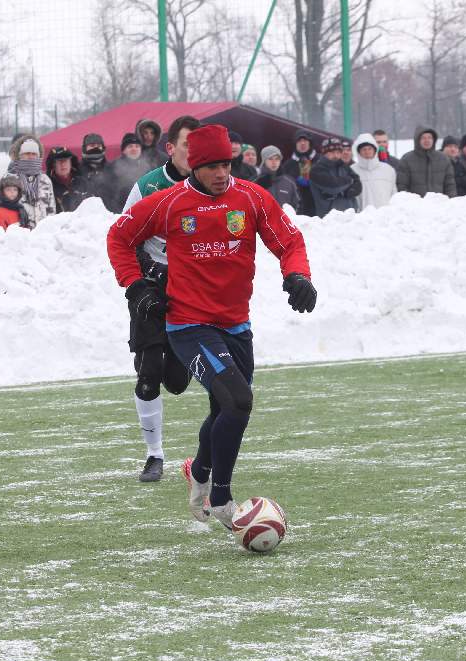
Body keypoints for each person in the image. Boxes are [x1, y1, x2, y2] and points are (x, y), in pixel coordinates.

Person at [106, 123, 315, 530]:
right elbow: (119, 237)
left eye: (226, 165)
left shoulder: (251, 197)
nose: (221, 174)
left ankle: (198, 471)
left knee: (225, 408)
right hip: (188, 325)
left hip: (235, 324)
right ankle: (221, 499)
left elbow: (290, 241)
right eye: (212, 167)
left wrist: (297, 275)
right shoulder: (169, 203)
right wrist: (136, 286)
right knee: (238, 401)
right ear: (194, 167)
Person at [120, 114, 200, 482]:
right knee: (149, 373)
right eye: (187, 145)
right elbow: (123, 237)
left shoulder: (213, 186)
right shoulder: (148, 186)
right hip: (151, 287)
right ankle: (154, 455)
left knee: (178, 382)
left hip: (192, 290)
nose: (194, 153)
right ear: (170, 148)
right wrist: (146, 275)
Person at [7, 135, 56, 227]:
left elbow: (51, 211)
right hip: (17, 232)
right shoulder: (8, 180)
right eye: (27, 153)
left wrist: (50, 230)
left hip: (42, 232)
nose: (31, 157)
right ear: (19, 155)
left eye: (34, 154)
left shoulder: (45, 180)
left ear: (38, 156)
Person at [397, 125, 456, 197]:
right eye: (423, 138)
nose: (427, 140)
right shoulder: (406, 160)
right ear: (417, 140)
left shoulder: (444, 159)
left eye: (429, 137)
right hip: (415, 203)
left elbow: (450, 186)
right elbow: (402, 186)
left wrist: (450, 200)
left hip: (439, 203)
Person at [309, 137, 362, 216]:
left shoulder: (344, 166)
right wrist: (349, 181)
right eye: (331, 152)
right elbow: (333, 187)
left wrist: (346, 190)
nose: (335, 155)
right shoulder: (316, 170)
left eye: (338, 152)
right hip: (329, 218)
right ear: (324, 153)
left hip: (351, 216)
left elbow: (358, 184)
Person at [350, 133, 396, 210]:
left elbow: (394, 194)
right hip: (362, 215)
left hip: (386, 214)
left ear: (375, 150)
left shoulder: (388, 169)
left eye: (370, 148)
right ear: (358, 152)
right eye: (364, 149)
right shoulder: (352, 170)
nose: (367, 151)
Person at [108, 133, 149, 212]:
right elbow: (109, 194)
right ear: (124, 150)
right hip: (119, 212)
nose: (134, 149)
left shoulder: (148, 167)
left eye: (137, 146)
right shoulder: (113, 167)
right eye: (130, 146)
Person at [280, 129, 318, 216]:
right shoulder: (288, 165)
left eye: (305, 140)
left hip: (318, 208)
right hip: (297, 209)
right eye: (299, 141)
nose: (302, 143)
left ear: (310, 143)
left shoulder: (319, 161)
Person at [254, 145, 301, 212]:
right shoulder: (255, 182)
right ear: (264, 161)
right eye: (270, 159)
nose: (274, 162)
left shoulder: (289, 183)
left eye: (277, 159)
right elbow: (244, 207)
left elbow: (298, 206)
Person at [45, 145, 90, 213]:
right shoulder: (47, 185)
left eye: (65, 160)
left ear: (71, 163)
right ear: (53, 165)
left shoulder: (83, 182)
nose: (63, 164)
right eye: (59, 161)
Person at [78, 133, 117, 211]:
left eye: (99, 146)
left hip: (110, 214)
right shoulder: (77, 170)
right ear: (85, 148)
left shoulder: (112, 169)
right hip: (83, 215)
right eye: (92, 145)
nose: (96, 148)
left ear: (103, 147)